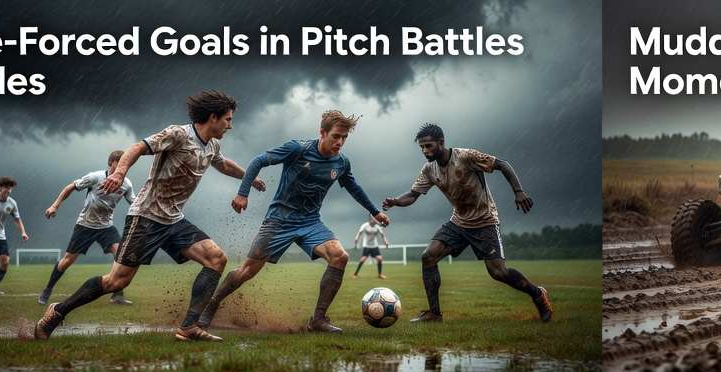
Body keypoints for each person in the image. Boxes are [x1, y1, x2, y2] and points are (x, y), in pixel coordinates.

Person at [36, 90, 266, 342]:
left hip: (174, 220)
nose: (230, 126)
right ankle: (57, 312)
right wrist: (120, 173)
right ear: (213, 117)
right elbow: (138, 147)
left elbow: (221, 164)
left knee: (216, 259)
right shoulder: (178, 134)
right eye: (228, 120)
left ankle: (189, 327)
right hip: (146, 218)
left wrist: (249, 178)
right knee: (116, 282)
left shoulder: (212, 145)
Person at [192, 110, 391, 335]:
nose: (340, 142)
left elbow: (353, 187)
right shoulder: (299, 149)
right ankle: (211, 306)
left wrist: (374, 212)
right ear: (322, 133)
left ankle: (318, 320)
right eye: (336, 136)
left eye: (344, 138)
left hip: (310, 222)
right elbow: (259, 161)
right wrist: (243, 193)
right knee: (247, 271)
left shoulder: (342, 162)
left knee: (340, 257)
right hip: (280, 221)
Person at [381, 123, 552, 323]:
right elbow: (412, 195)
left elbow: (502, 164)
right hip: (459, 221)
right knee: (428, 256)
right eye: (422, 147)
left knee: (498, 273)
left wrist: (518, 191)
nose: (425, 151)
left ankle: (538, 295)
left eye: (428, 146)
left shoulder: (465, 156)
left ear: (441, 142)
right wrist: (395, 202)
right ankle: (434, 314)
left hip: (484, 220)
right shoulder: (429, 169)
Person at [41, 151, 137, 306]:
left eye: (124, 165)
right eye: (118, 164)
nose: (121, 168)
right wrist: (54, 206)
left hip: (106, 227)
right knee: (67, 261)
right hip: (85, 225)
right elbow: (70, 187)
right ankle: (48, 289)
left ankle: (117, 294)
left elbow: (134, 203)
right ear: (111, 163)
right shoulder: (96, 177)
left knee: (120, 253)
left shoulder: (126, 184)